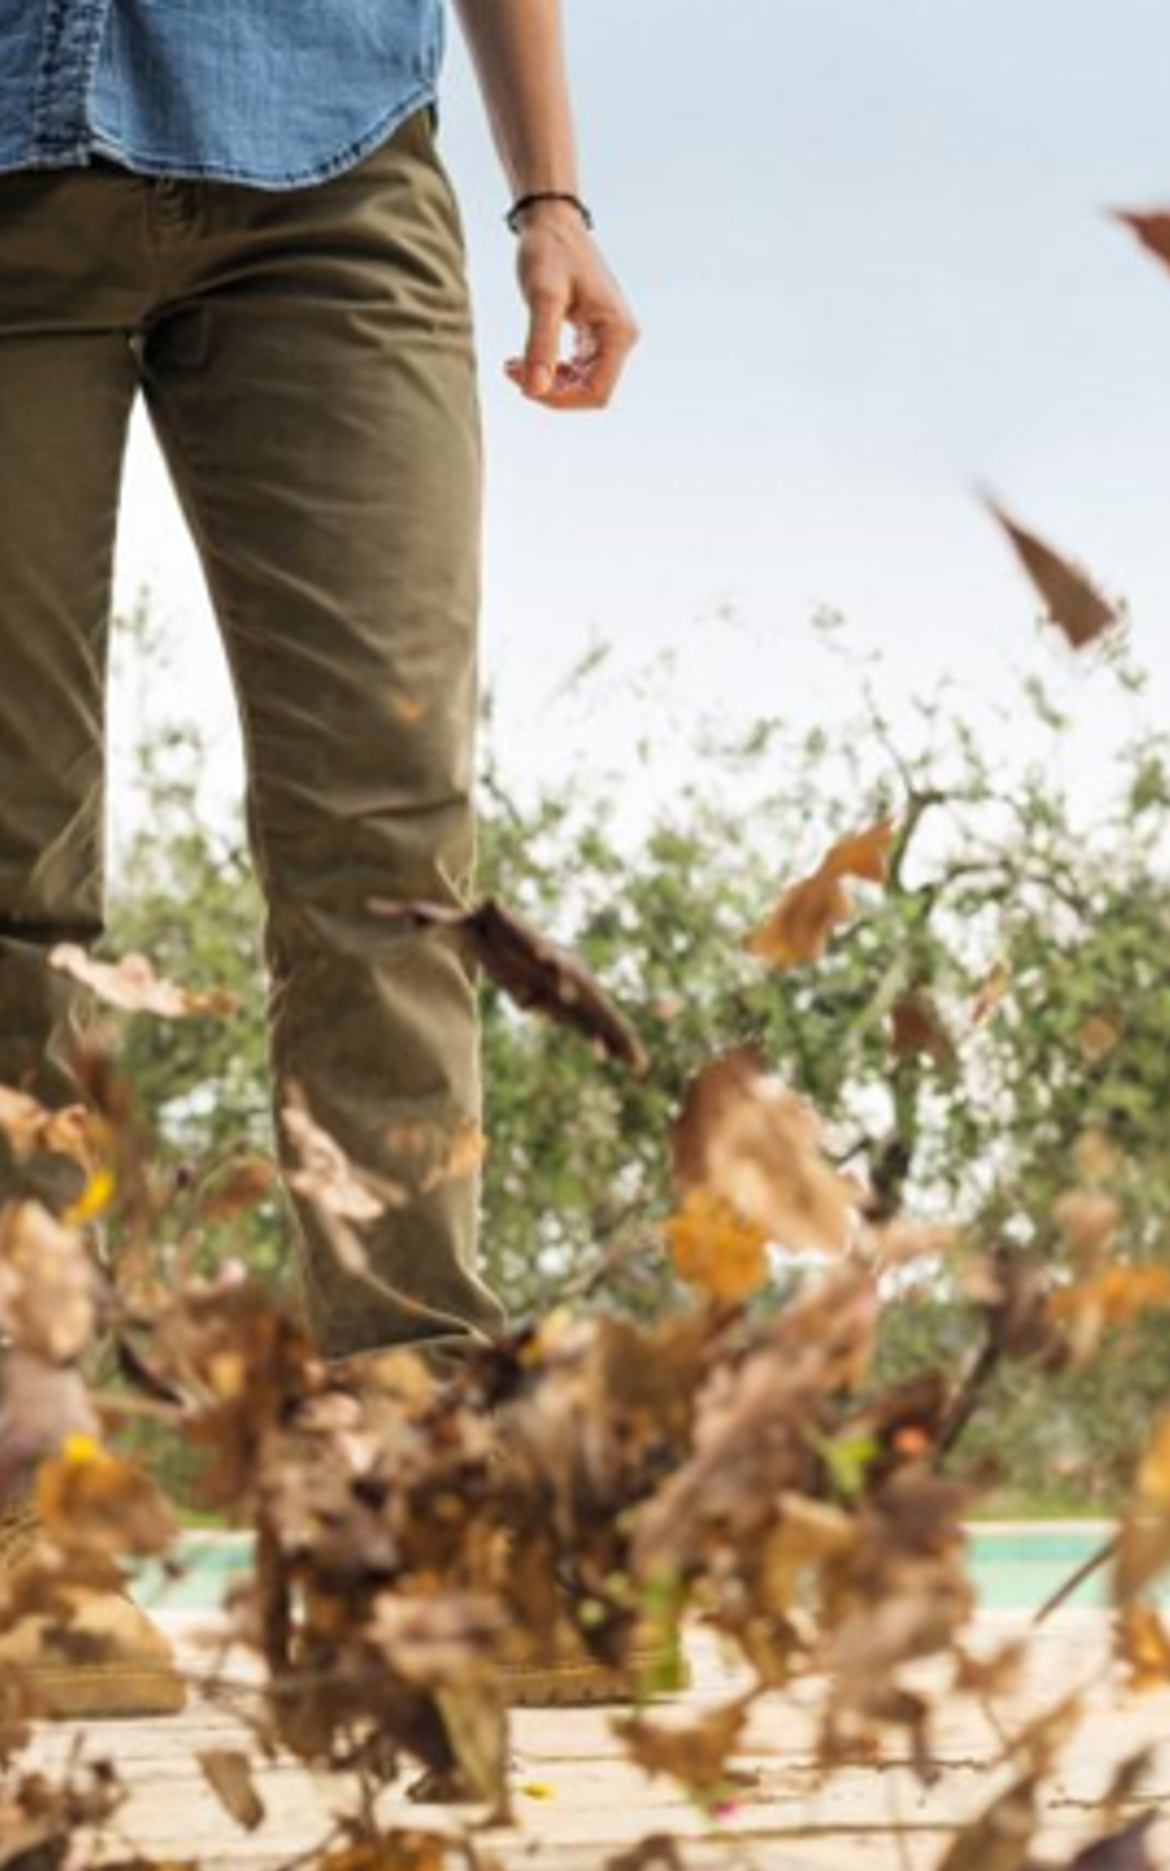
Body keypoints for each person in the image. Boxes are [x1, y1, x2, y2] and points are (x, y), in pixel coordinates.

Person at [0, 1, 639, 1715]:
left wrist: (550, 198)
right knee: (8, 864)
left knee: (392, 843)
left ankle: (429, 1473)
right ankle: (24, 1504)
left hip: (329, 169)